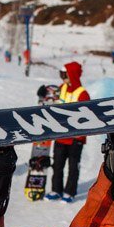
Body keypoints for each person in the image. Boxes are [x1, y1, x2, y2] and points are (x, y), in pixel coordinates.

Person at [46, 62, 91, 203]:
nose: (63, 78)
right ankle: (56, 190)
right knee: (57, 165)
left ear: (72, 75)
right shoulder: (62, 88)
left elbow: (86, 116)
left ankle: (69, 192)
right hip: (60, 136)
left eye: (65, 75)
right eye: (61, 74)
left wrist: (80, 135)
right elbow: (54, 104)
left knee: (73, 166)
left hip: (75, 138)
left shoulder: (82, 94)